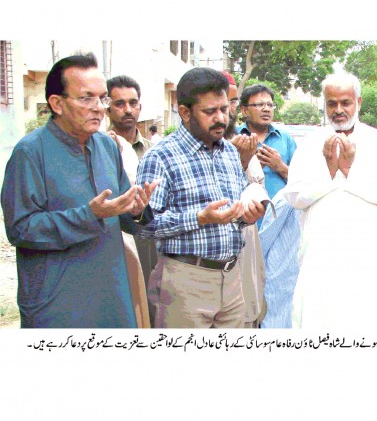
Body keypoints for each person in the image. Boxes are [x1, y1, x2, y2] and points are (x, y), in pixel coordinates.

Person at [0, 53, 157, 328]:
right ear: (57, 103)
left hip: (111, 294)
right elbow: (20, 228)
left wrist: (136, 211)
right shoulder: (30, 152)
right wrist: (88, 215)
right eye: (87, 98)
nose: (99, 108)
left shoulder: (108, 147)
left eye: (102, 98)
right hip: (58, 301)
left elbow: (122, 214)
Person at [135, 67, 266, 328]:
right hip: (185, 281)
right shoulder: (160, 157)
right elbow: (145, 226)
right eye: (209, 112)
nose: (220, 118)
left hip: (231, 279)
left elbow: (233, 214)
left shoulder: (229, 152)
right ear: (185, 113)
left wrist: (247, 216)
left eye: (224, 109)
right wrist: (199, 218)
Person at [284, 72, 377, 329]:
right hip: (322, 258)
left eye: (345, 103)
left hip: (369, 259)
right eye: (331, 103)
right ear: (324, 105)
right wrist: (329, 171)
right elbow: (294, 196)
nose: (338, 110)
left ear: (358, 103)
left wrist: (350, 171)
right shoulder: (310, 144)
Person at [106, 74, 158, 327]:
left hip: (151, 240)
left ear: (140, 106)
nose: (127, 110)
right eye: (119, 103)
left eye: (133, 103)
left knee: (151, 306)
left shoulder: (155, 150)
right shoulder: (100, 148)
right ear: (107, 106)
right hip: (115, 241)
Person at [223, 71, 267, 328]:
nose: (226, 110)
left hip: (249, 242)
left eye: (230, 102)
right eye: (220, 103)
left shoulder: (243, 143)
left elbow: (258, 186)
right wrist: (239, 160)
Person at [237, 84, 297, 201]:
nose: (266, 109)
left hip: (281, 215)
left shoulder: (286, 139)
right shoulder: (233, 138)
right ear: (244, 110)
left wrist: (280, 167)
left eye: (270, 105)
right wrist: (248, 166)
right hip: (244, 215)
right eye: (259, 105)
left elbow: (303, 182)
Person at [259, 190, 301, 328]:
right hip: (277, 284)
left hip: (299, 281)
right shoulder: (286, 199)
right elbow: (263, 242)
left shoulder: (316, 196)